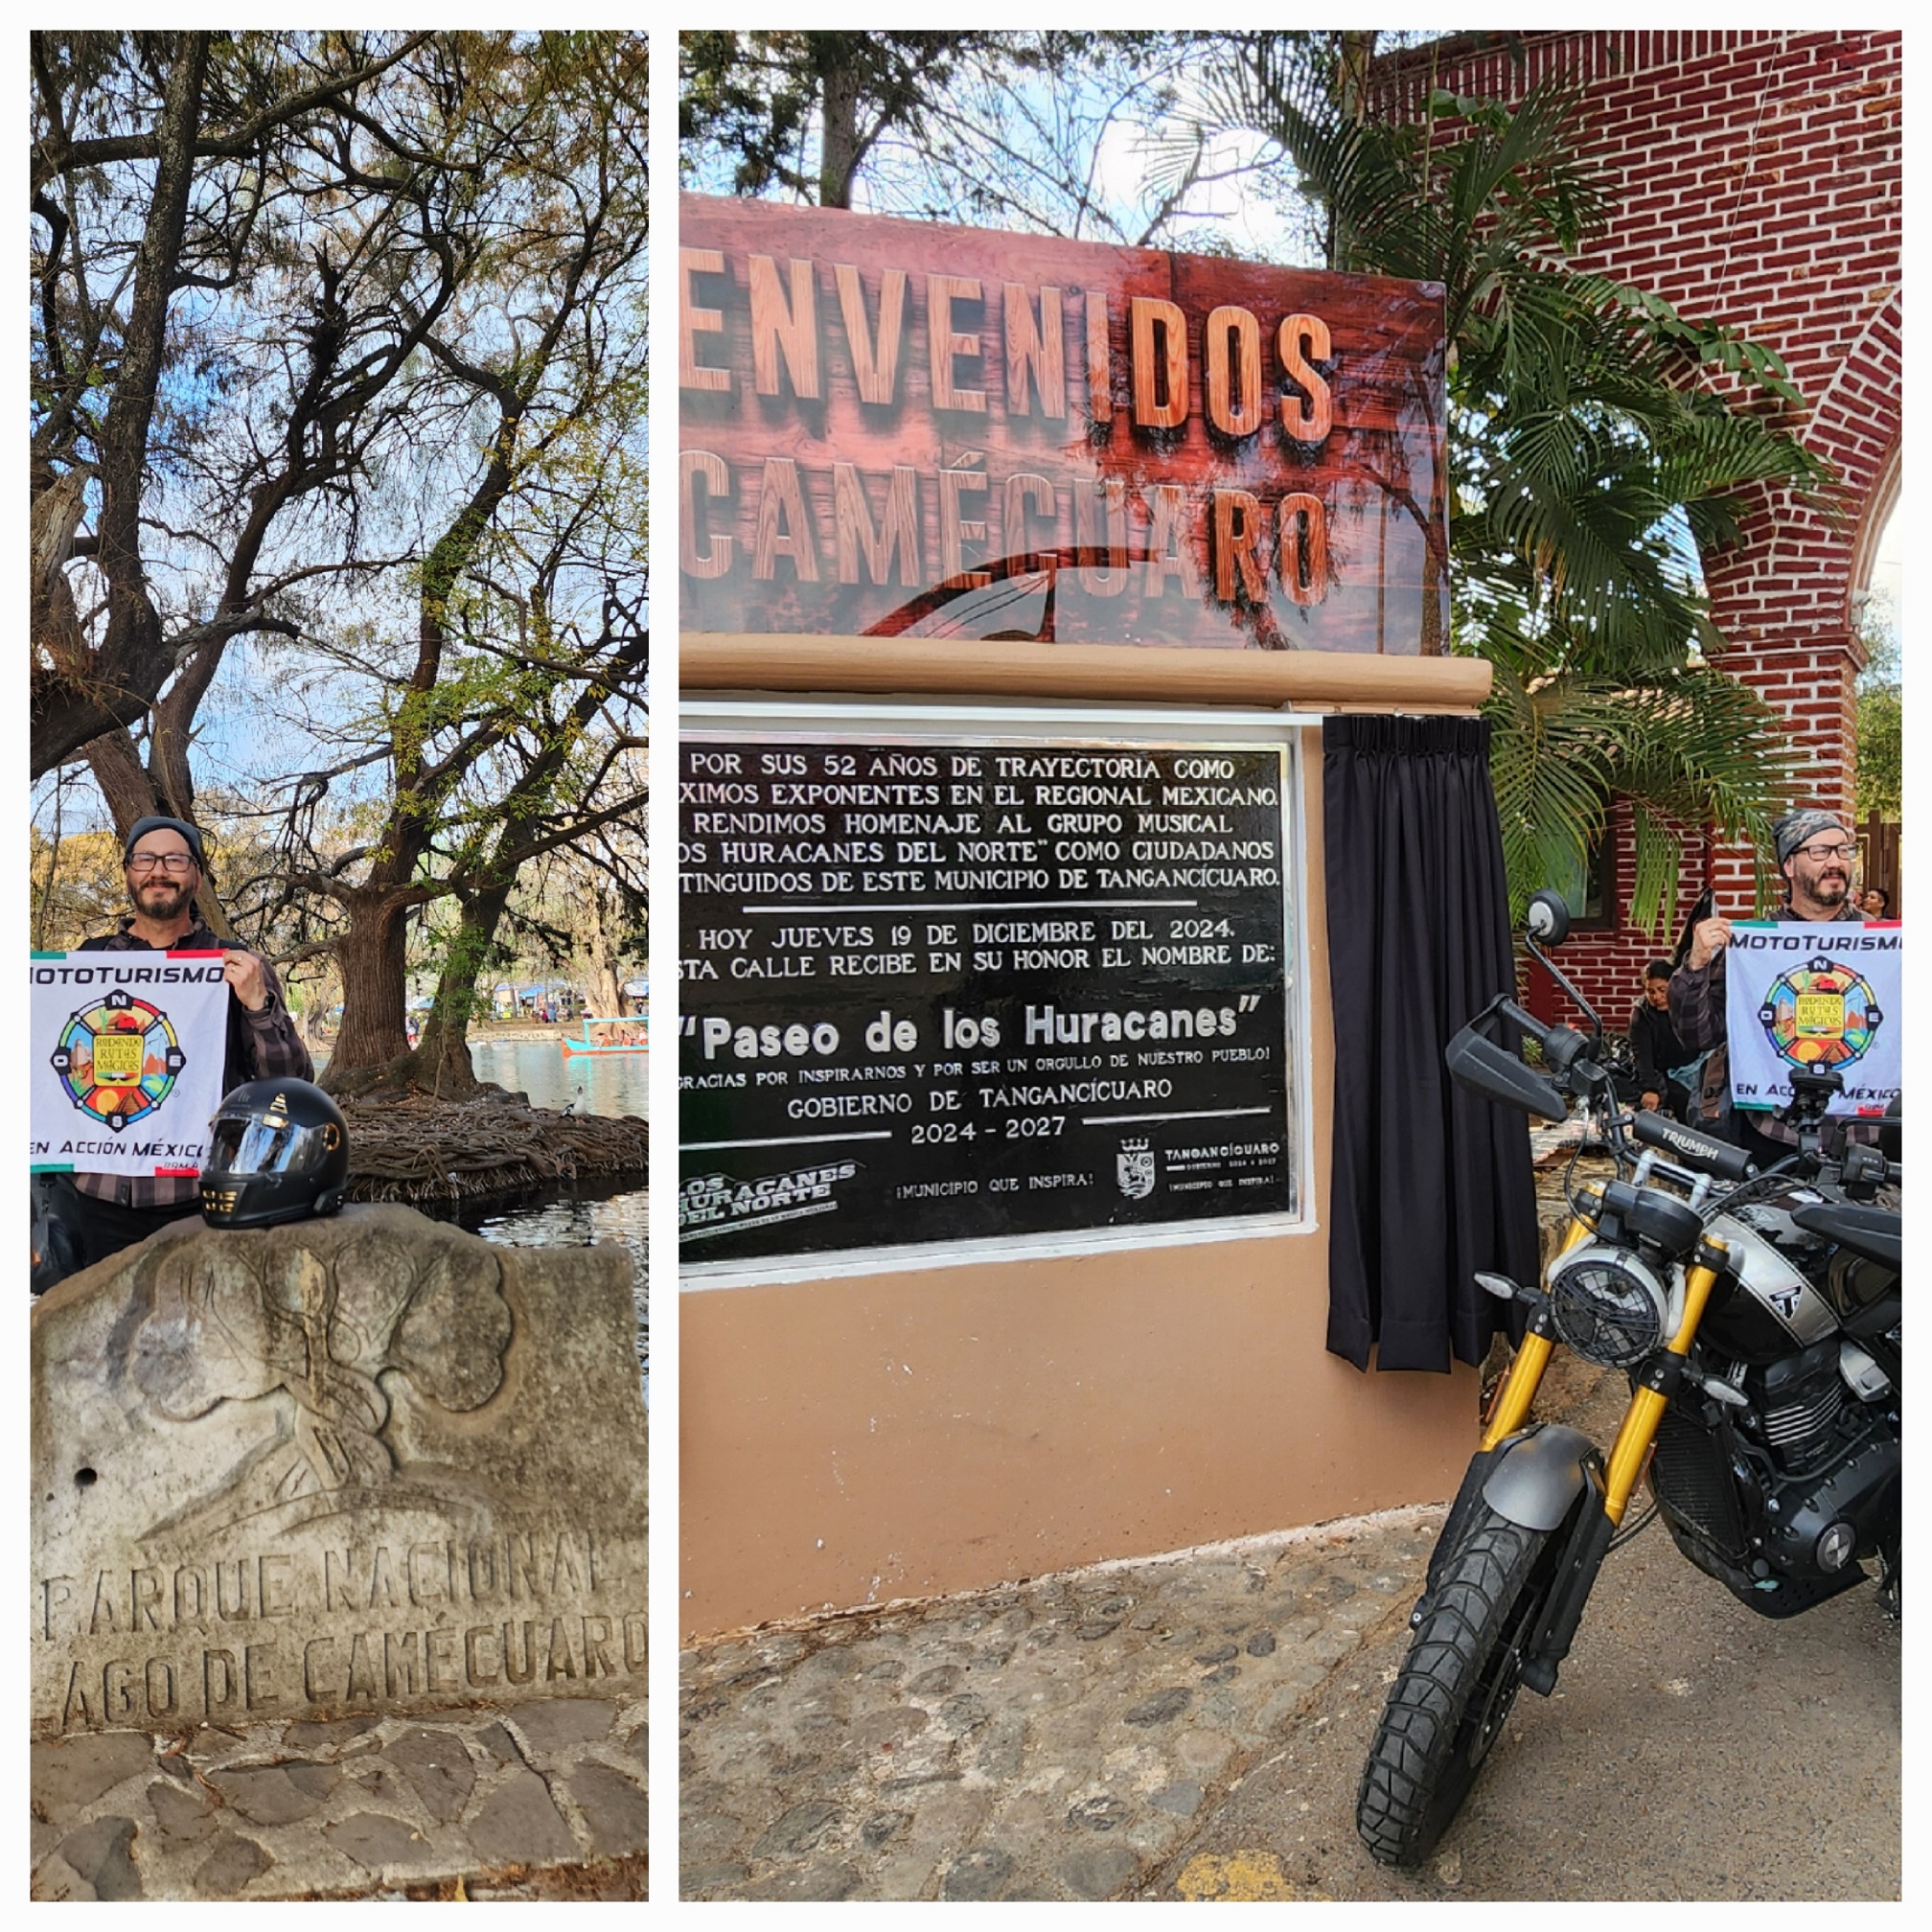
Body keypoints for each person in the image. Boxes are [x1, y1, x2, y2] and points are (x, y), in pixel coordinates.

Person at [34, 816, 313, 1287]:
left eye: (175, 859)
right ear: (128, 873)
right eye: (145, 859)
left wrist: (257, 1004)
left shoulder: (237, 965)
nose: (158, 870)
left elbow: (292, 1083)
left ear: (196, 877)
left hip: (199, 1200)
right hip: (99, 1204)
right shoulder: (85, 962)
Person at [1668, 807, 1871, 1166]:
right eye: (1820, 851)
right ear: (1789, 866)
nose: (1836, 861)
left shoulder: (1887, 943)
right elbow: (1697, 1036)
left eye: (1843, 850)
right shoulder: (1753, 947)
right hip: (1770, 1134)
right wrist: (1696, 963)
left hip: (1862, 1138)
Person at [1627, 958, 1695, 1121]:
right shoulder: (1642, 1014)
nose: (1657, 997)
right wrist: (1650, 1089)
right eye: (1651, 992)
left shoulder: (1689, 1002)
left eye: (1662, 990)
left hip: (1695, 1065)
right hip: (1663, 1073)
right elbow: (1642, 1055)